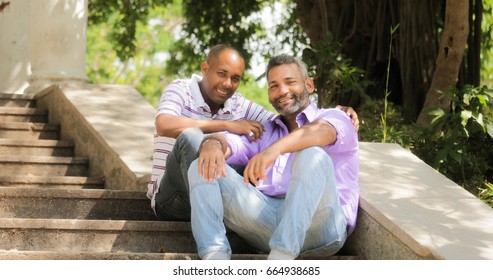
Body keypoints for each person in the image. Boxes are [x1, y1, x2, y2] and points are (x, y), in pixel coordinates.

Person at [147, 44, 360, 221]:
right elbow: (164, 124)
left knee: (246, 154)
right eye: (221, 74)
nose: (227, 84)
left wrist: (333, 116)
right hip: (173, 198)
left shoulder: (241, 105)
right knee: (193, 138)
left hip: (213, 200)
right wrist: (228, 126)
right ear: (205, 68)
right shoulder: (181, 89)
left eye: (235, 78)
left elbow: (284, 119)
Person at [187, 54, 359, 260]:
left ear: (309, 85)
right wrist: (212, 144)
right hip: (267, 222)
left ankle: (280, 261)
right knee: (203, 165)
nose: (282, 91)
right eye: (274, 86)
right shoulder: (265, 131)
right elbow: (232, 143)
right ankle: (215, 260)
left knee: (312, 155)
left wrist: (273, 150)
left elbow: (319, 132)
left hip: (322, 225)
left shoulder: (335, 117)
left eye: (290, 82)